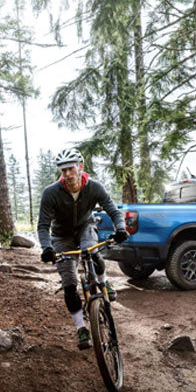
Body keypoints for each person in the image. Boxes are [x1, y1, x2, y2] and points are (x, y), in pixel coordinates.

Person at [37, 148, 129, 350]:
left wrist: (121, 228)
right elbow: (43, 226)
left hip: (86, 227)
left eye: (70, 168)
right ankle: (81, 327)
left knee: (91, 251)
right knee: (69, 282)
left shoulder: (94, 187)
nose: (68, 174)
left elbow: (113, 211)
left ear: (80, 166)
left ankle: (103, 282)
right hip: (61, 236)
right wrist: (47, 248)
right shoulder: (51, 192)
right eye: (63, 171)